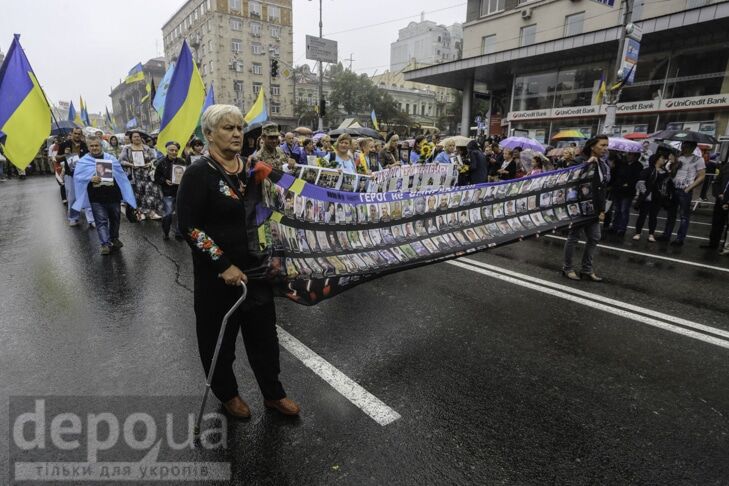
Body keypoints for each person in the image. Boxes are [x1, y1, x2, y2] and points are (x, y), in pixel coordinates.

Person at [176, 104, 300, 419]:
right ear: (209, 134)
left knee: (265, 340)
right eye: (227, 128)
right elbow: (189, 227)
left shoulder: (251, 167)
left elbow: (271, 208)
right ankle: (227, 394)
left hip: (257, 271)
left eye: (239, 128)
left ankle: (273, 394)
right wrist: (222, 264)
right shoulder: (197, 173)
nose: (236, 134)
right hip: (218, 278)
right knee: (219, 341)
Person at [72, 135, 136, 255]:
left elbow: (121, 176)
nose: (94, 148)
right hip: (96, 197)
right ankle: (104, 244)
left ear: (101, 146)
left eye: (96, 145)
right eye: (92, 146)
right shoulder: (83, 162)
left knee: (115, 219)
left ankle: (114, 238)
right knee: (101, 221)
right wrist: (90, 178)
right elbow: (78, 177)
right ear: (88, 147)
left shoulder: (110, 158)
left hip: (113, 195)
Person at [562, 135, 610, 282]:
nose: (605, 148)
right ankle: (567, 268)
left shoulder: (603, 164)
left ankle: (586, 269)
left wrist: (602, 210)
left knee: (595, 237)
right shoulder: (579, 160)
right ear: (592, 146)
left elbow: (601, 188)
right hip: (580, 207)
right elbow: (570, 178)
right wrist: (587, 164)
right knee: (574, 237)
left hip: (595, 208)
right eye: (602, 145)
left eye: (606, 145)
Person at [656, 141, 705, 246]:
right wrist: (673, 162)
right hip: (674, 188)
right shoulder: (678, 157)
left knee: (684, 216)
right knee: (671, 214)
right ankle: (666, 234)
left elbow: (702, 176)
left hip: (685, 190)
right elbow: (671, 173)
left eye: (686, 146)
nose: (683, 148)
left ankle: (680, 238)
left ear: (693, 147)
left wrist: (689, 188)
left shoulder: (698, 159)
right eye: (683, 145)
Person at [119, 130, 162, 221]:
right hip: (135, 175)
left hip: (147, 174)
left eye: (138, 136)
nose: (137, 138)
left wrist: (149, 164)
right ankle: (141, 213)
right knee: (138, 194)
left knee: (150, 193)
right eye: (134, 137)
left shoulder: (146, 148)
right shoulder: (127, 148)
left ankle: (151, 213)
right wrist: (131, 165)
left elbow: (154, 159)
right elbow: (121, 161)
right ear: (131, 139)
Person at [56, 127, 95, 227]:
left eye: (79, 134)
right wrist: (65, 154)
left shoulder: (84, 145)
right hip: (70, 175)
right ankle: (73, 218)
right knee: (72, 198)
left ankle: (91, 220)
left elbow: (90, 157)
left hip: (83, 175)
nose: (77, 135)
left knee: (87, 197)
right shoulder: (64, 144)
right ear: (72, 133)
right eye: (75, 133)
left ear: (81, 135)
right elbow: (57, 158)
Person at [154, 141, 189, 240]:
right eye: (171, 150)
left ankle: (179, 233)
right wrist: (165, 181)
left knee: (180, 214)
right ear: (167, 150)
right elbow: (156, 177)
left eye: (176, 150)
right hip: (168, 192)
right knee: (168, 214)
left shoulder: (182, 162)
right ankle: (166, 231)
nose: (174, 152)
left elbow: (187, 175)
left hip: (180, 192)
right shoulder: (161, 163)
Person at [633, 153, 667, 242]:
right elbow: (641, 182)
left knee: (653, 216)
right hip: (647, 196)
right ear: (656, 160)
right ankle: (638, 233)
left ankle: (651, 234)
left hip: (658, 197)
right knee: (642, 215)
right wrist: (645, 194)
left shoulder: (664, 172)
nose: (664, 160)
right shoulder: (648, 170)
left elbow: (666, 183)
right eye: (662, 158)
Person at [608, 151, 642, 236]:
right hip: (618, 189)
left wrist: (627, 184)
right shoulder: (622, 163)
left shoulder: (638, 166)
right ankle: (614, 226)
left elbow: (635, 179)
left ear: (635, 156)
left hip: (628, 192)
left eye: (631, 154)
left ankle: (622, 228)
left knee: (624, 210)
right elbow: (616, 175)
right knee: (617, 210)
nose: (628, 156)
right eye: (628, 154)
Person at [702, 158, 729, 250]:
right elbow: (717, 182)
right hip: (721, 199)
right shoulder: (726, 167)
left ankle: (726, 247)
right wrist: (719, 194)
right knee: (716, 223)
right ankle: (713, 244)